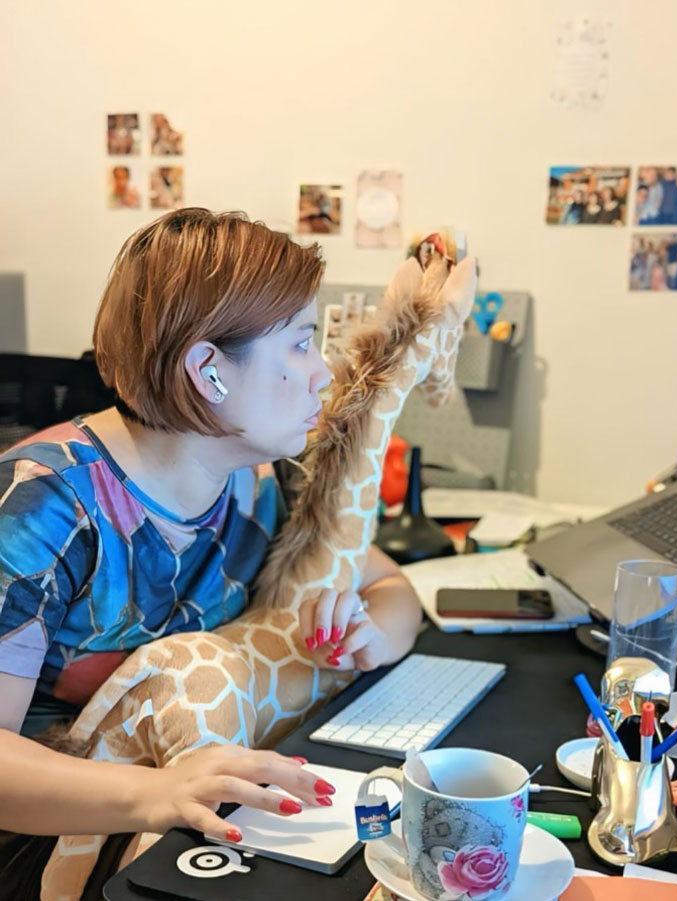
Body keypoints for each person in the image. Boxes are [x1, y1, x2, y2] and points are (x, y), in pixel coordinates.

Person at [0, 208, 423, 898]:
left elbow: (394, 592)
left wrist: (367, 631)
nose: (322, 373)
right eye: (298, 343)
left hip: (194, 814)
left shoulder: (262, 479)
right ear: (208, 370)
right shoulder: (44, 501)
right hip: (54, 840)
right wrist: (156, 791)